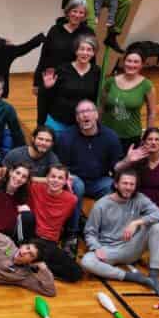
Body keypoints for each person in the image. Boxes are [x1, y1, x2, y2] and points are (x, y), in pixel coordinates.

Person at [80, 168, 159, 291]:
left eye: (132, 184)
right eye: (125, 183)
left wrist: (136, 222)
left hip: (132, 246)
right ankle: (133, 277)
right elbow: (90, 232)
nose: (128, 187)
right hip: (109, 251)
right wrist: (96, 247)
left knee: (158, 225)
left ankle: (154, 274)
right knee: (86, 262)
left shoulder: (139, 198)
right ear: (116, 184)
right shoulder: (101, 204)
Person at [55, 99, 124, 231]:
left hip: (98, 180)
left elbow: (115, 166)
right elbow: (60, 165)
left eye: (88, 111)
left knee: (111, 186)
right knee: (78, 186)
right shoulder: (66, 137)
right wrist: (67, 176)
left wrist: (129, 160)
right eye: (80, 113)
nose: (84, 115)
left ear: (96, 115)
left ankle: (98, 227)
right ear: (77, 118)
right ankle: (72, 231)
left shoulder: (110, 136)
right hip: (74, 179)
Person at [33, 0, 94, 121]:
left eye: (81, 12)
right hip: (50, 78)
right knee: (43, 115)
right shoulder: (55, 30)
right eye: (74, 11)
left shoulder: (88, 32)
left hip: (71, 82)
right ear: (68, 12)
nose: (77, 15)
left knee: (64, 117)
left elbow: (91, 59)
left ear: (85, 15)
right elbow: (44, 56)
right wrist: (37, 82)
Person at [24, 163, 83, 281]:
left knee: (76, 273)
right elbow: (22, 178)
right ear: (46, 178)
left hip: (50, 242)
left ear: (66, 181)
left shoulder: (71, 200)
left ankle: (35, 265)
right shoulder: (35, 188)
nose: (55, 180)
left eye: (60, 178)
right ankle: (31, 263)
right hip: (32, 237)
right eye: (53, 176)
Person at [39, 36, 101, 133]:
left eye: (89, 50)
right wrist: (47, 87)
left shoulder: (97, 72)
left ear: (94, 53)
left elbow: (96, 99)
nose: (85, 53)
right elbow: (47, 97)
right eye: (81, 49)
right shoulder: (62, 69)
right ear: (76, 51)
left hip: (81, 124)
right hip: (58, 121)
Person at [101, 45, 156, 149]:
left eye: (136, 62)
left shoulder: (147, 85)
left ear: (142, 65)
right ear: (123, 62)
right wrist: (96, 129)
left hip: (131, 137)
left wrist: (148, 136)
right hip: (107, 134)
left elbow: (152, 113)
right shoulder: (110, 82)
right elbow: (101, 107)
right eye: (129, 61)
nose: (131, 65)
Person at [129, 126, 159, 210]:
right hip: (137, 205)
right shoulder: (137, 161)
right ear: (144, 142)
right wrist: (129, 161)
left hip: (158, 207)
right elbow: (126, 185)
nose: (153, 142)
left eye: (157, 139)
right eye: (150, 139)